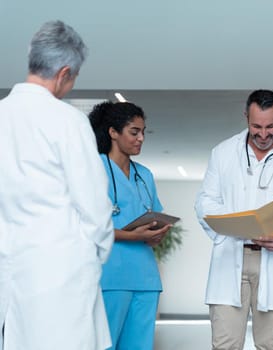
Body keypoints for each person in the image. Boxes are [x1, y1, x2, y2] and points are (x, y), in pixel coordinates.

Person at [0, 20, 114, 350]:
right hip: (61, 271)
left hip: (10, 266)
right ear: (64, 73)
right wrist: (97, 252)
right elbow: (94, 204)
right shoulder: (67, 121)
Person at [195, 89, 273, 350]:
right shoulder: (222, 153)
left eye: (270, 127)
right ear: (246, 117)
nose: (263, 134)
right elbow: (204, 202)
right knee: (225, 344)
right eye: (256, 126)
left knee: (271, 344)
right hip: (231, 254)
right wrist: (231, 224)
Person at [89, 101, 171, 350]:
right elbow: (87, 226)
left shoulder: (143, 174)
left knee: (139, 346)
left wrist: (156, 234)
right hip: (110, 276)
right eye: (134, 132)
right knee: (105, 345)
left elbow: (154, 214)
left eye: (143, 132)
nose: (141, 138)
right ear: (113, 132)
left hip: (145, 279)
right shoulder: (94, 169)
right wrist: (131, 235)